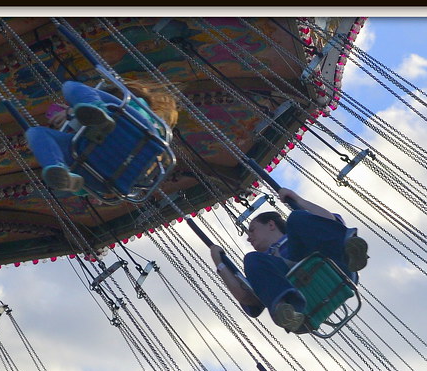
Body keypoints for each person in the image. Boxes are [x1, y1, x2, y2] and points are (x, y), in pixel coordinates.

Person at [210, 187, 369, 333]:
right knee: (251, 259)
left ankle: (351, 253)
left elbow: (331, 221)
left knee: (297, 217)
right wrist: (220, 264)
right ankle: (285, 310)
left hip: (325, 262)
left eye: (252, 230)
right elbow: (247, 297)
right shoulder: (263, 263)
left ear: (271, 224)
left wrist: (299, 200)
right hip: (295, 292)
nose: (249, 238)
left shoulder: (297, 235)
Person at [25, 78, 178, 194]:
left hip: (115, 155)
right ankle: (59, 171)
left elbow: (83, 190)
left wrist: (71, 113)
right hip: (121, 167)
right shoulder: (152, 130)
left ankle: (58, 165)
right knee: (35, 132)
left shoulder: (139, 108)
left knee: (69, 87)